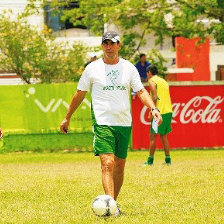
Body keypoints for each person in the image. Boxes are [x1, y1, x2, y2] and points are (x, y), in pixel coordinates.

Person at [60, 31, 162, 215]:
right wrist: (67, 117)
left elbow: (140, 92)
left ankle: (112, 204)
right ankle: (111, 210)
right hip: (102, 122)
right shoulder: (92, 68)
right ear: (102, 46)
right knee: (108, 162)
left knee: (120, 165)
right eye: (105, 43)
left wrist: (153, 108)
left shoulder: (129, 68)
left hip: (123, 122)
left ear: (118, 46)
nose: (109, 47)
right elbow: (80, 93)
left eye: (112, 43)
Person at [144, 64, 173, 166]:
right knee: (163, 136)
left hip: (159, 113)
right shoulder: (164, 81)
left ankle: (150, 161)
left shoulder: (152, 81)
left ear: (149, 73)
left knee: (152, 136)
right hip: (168, 111)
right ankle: (168, 160)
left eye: (147, 73)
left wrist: (152, 111)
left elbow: (155, 97)